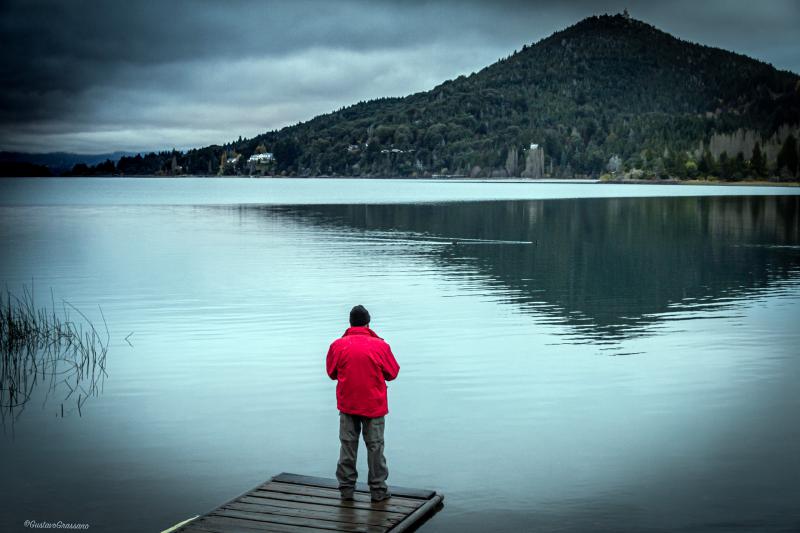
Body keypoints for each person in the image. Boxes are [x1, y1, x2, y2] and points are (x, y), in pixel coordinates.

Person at [326, 305, 400, 502]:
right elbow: (392, 373)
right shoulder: (380, 346)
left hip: (348, 404)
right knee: (375, 448)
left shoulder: (337, 345)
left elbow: (331, 373)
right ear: (368, 323)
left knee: (348, 447)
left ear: (350, 323)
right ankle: (378, 492)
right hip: (373, 406)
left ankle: (346, 492)